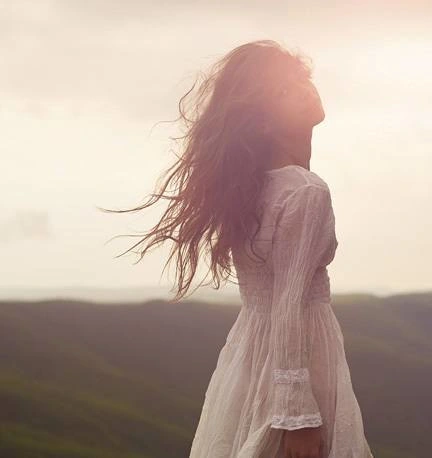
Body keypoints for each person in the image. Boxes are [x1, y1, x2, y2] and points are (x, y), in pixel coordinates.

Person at [104, 39, 374, 457]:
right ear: (264, 123)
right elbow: (289, 304)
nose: (306, 89)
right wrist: (297, 416)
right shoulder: (305, 190)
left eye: (303, 79)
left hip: (250, 355)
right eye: (286, 89)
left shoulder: (252, 191)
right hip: (295, 361)